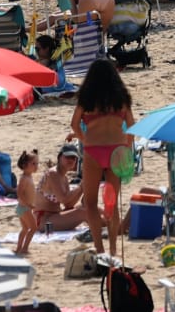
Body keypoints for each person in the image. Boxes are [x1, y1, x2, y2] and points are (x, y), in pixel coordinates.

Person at [68, 58, 135, 259]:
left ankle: (99, 249)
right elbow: (131, 125)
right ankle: (113, 248)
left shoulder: (87, 98)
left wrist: (84, 138)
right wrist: (127, 148)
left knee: (90, 203)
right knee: (112, 204)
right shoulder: (121, 97)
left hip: (93, 150)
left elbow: (74, 124)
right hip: (117, 150)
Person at [13, 151, 42, 255]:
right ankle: (24, 248)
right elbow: (19, 193)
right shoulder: (24, 178)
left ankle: (19, 248)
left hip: (24, 208)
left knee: (25, 229)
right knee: (33, 228)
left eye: (37, 163)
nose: (36, 166)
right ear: (25, 165)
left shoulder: (29, 177)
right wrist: (28, 205)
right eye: (33, 164)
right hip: (24, 208)